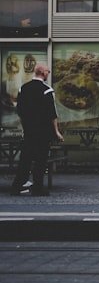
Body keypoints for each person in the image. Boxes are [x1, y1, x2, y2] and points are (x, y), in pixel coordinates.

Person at [10, 64, 64, 196]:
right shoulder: (47, 90)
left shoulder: (24, 88)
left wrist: (25, 126)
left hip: (29, 130)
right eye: (47, 71)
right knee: (41, 160)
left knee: (25, 159)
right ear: (43, 73)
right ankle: (38, 187)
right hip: (43, 131)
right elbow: (52, 114)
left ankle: (17, 185)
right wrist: (56, 132)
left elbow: (20, 110)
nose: (49, 73)